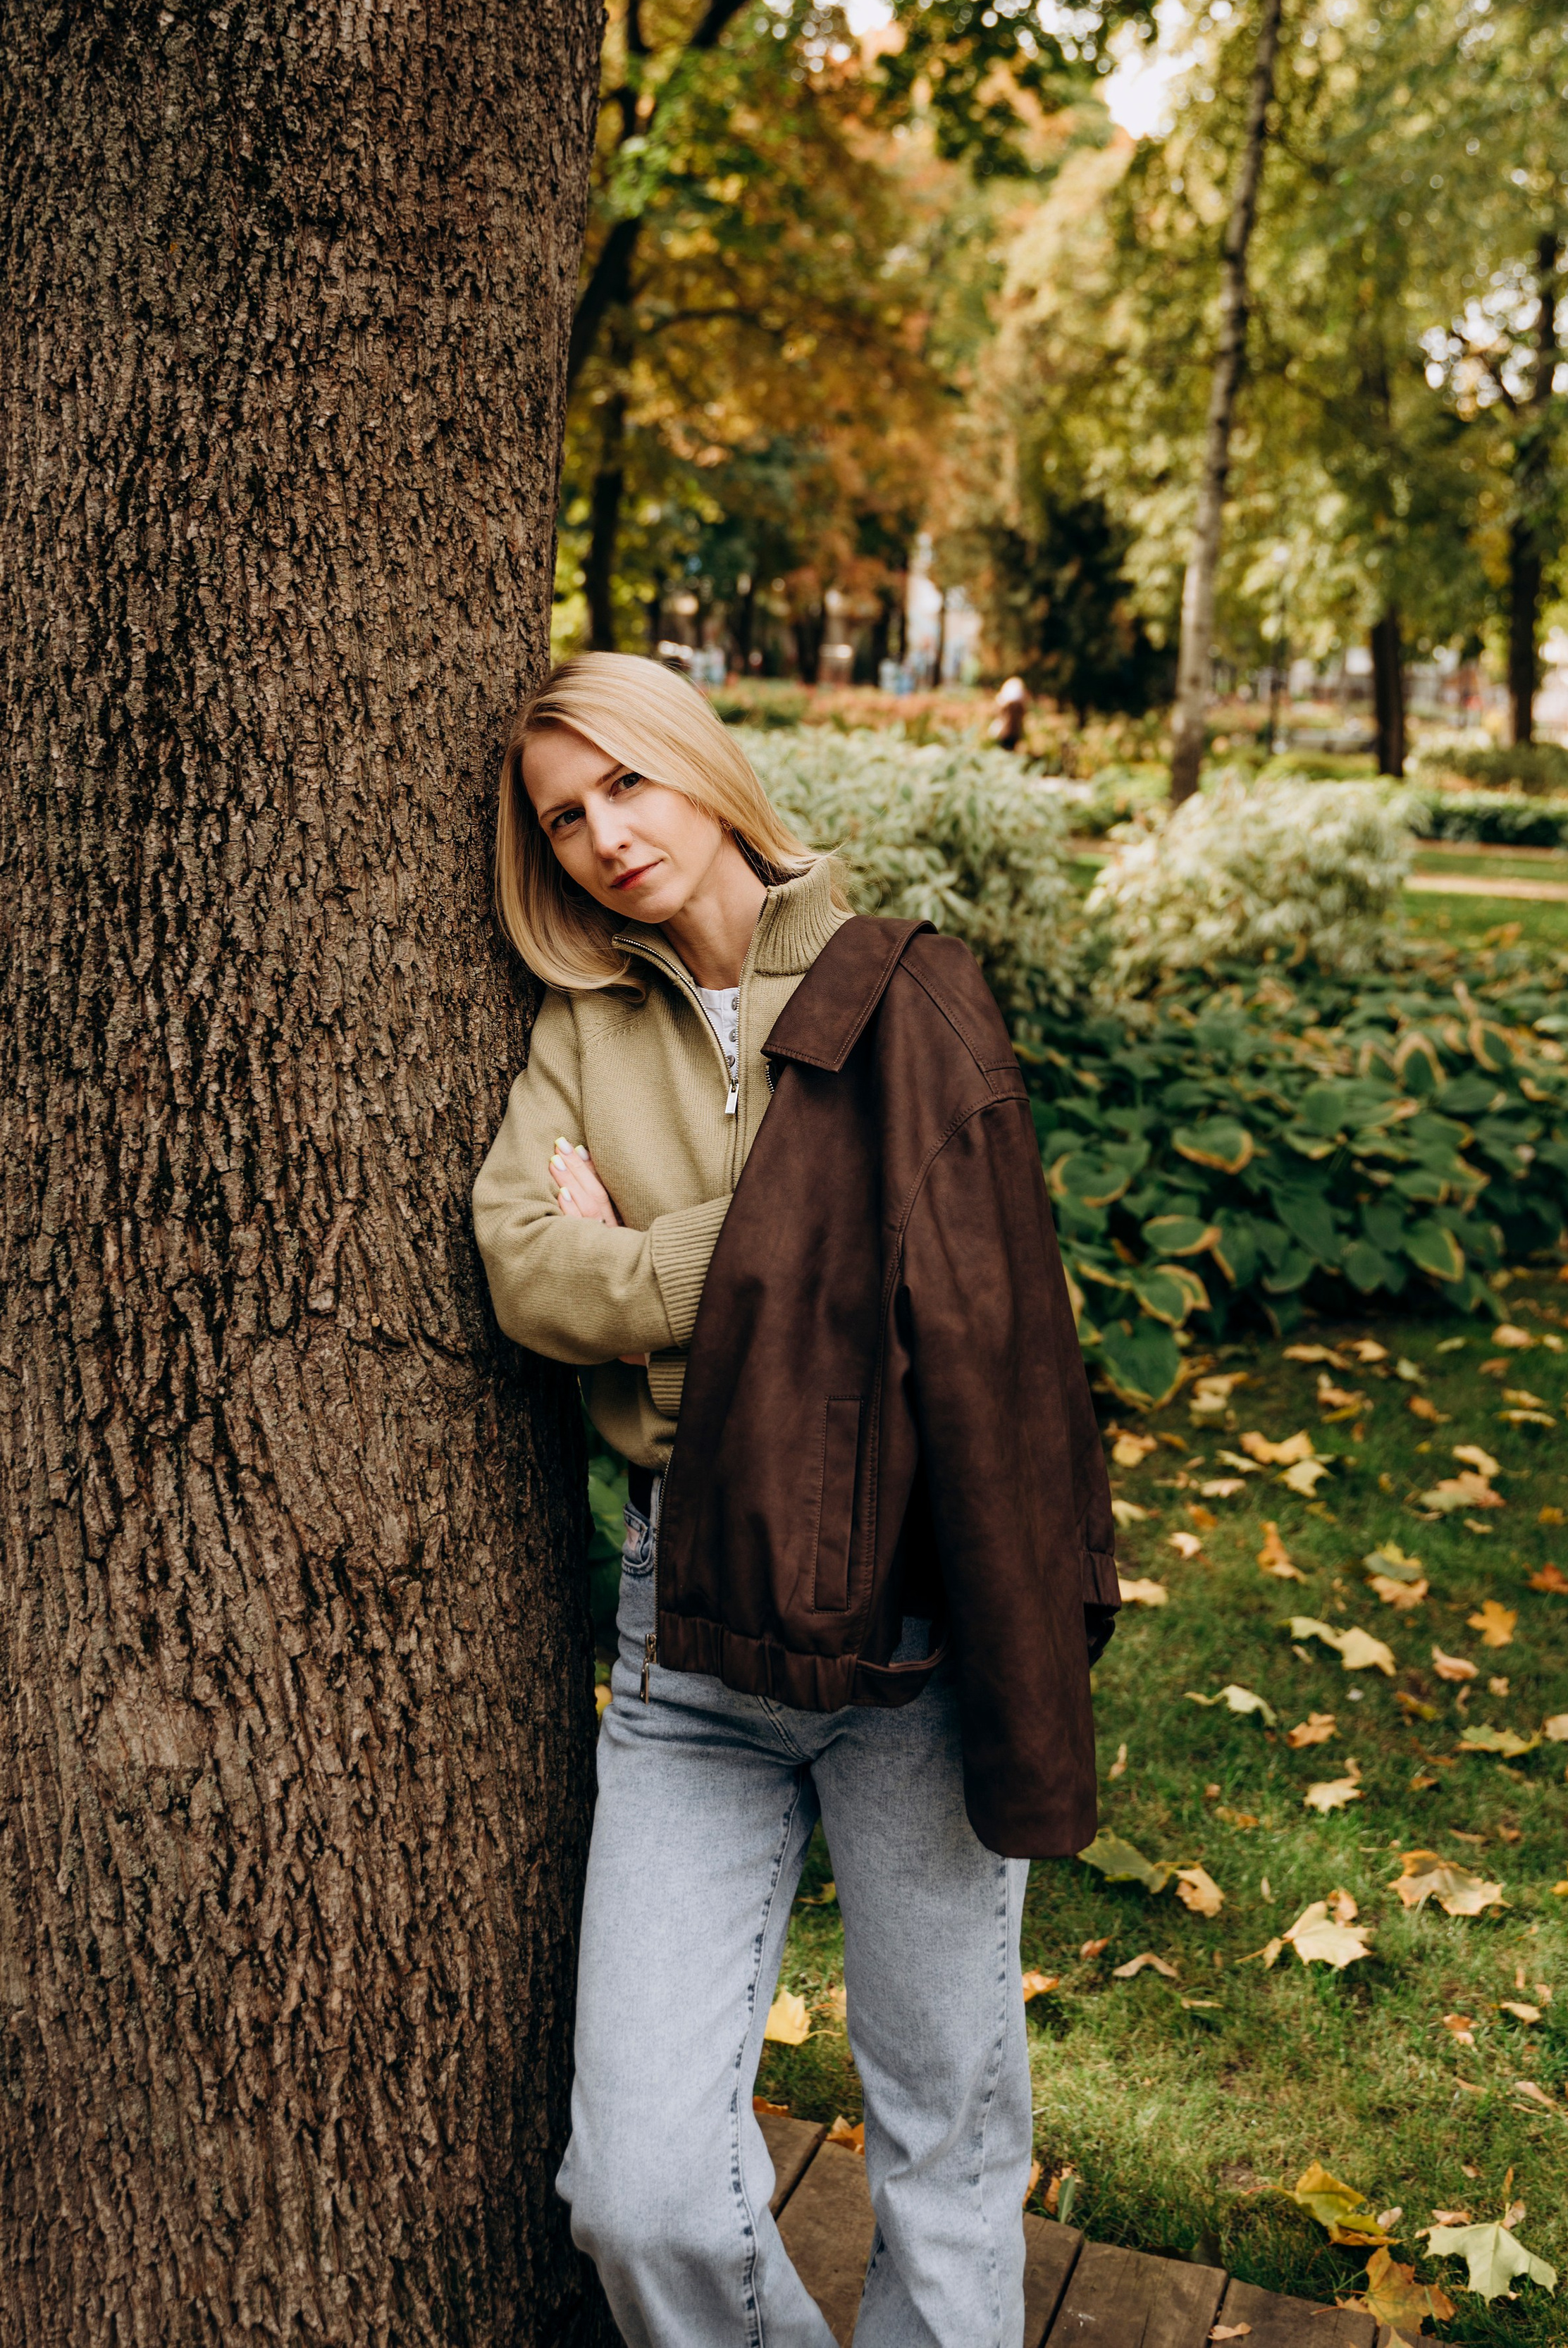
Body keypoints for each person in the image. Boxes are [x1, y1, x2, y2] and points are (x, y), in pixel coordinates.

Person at [473, 653, 1118, 2348]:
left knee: (944, 2142)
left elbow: (966, 1306)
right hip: (685, 1628)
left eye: (625, 781)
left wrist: (656, 1257)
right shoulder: (580, 1025)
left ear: (696, 763)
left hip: (910, 1618)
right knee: (637, 2193)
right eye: (563, 816)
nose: (604, 835)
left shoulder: (895, 987)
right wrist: (778, 1252)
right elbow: (529, 1270)